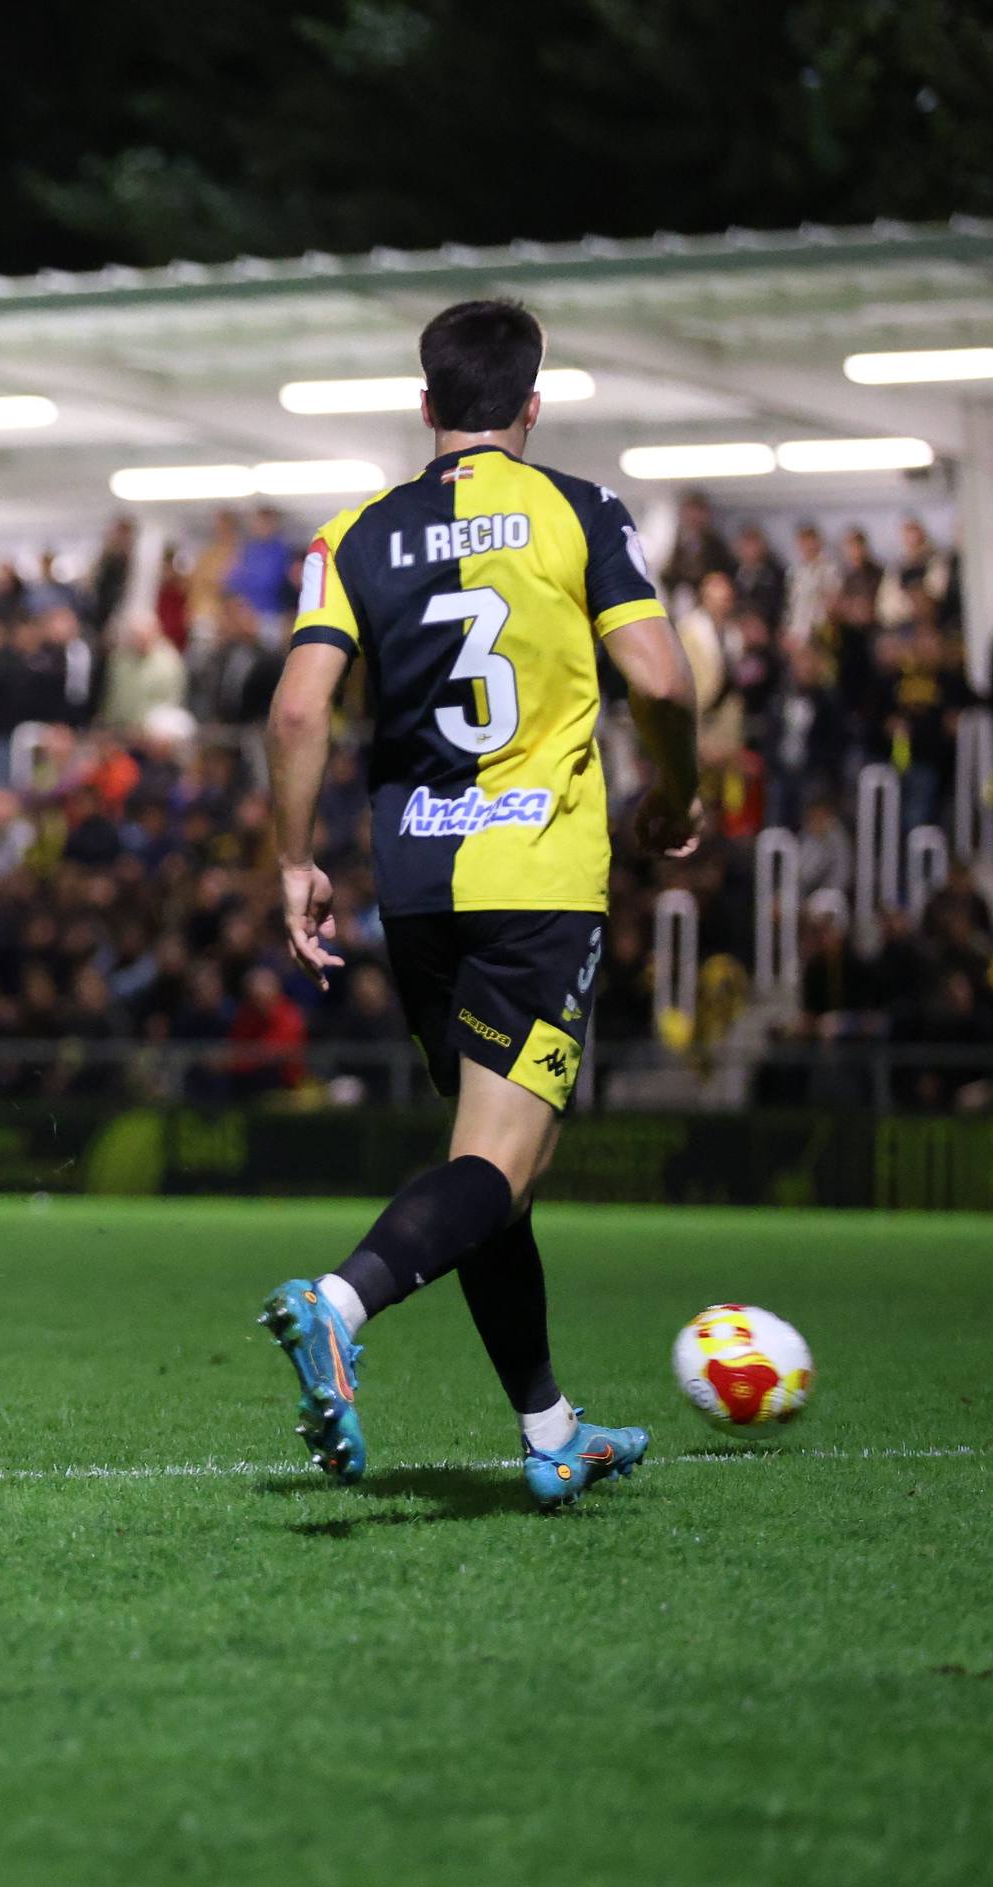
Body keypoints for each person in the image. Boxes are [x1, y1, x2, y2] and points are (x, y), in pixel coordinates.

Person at [261, 299, 703, 1511]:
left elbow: (298, 711)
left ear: (423, 405)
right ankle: (339, 1304)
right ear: (530, 404)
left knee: (484, 1162)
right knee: (500, 1165)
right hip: (536, 885)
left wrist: (291, 859)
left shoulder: (351, 533)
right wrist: (676, 787)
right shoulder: (576, 509)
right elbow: (658, 677)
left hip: (415, 891)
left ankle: (551, 1428)